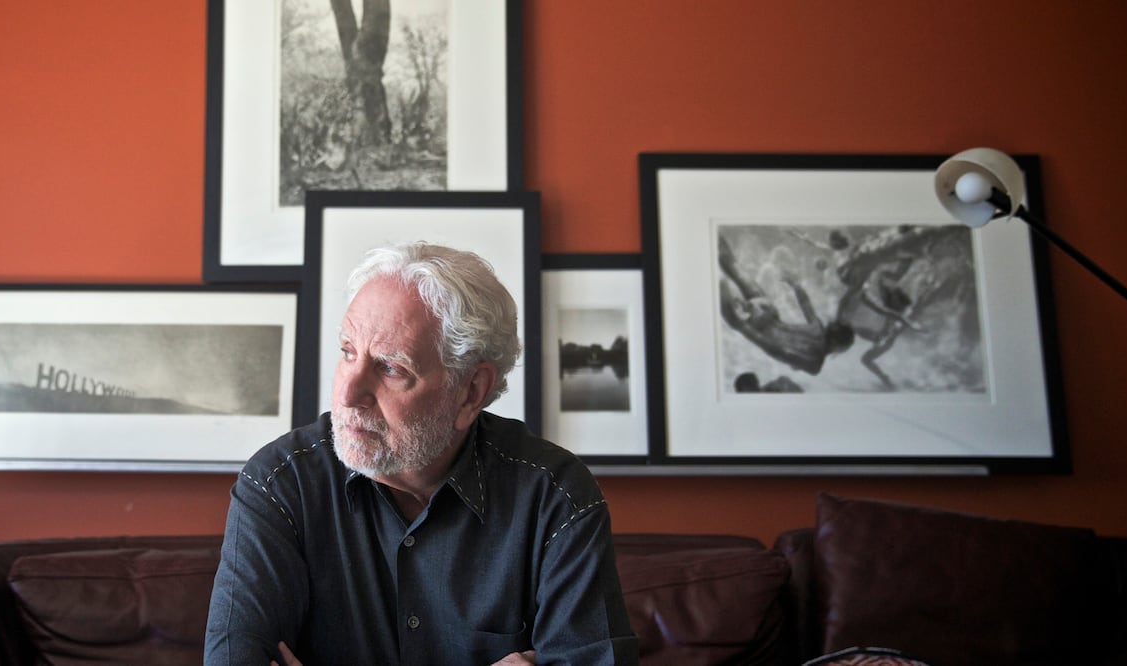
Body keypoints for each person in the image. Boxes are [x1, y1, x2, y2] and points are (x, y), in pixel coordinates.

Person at [204, 242, 638, 666]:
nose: (348, 393)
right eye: (347, 352)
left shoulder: (554, 498)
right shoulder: (280, 484)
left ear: (470, 391)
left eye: (390, 367)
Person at [717, 235, 854, 376]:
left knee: (734, 266)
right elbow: (776, 351)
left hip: (770, 311)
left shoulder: (817, 327)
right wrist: (741, 327)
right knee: (716, 285)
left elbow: (806, 305)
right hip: (758, 327)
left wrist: (796, 286)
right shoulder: (814, 364)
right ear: (838, 347)